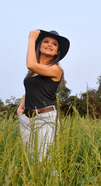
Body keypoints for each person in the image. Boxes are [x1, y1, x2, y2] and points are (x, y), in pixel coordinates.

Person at [17, 29, 70, 162]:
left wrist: (31, 38)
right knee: (30, 161)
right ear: (39, 46)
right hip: (27, 118)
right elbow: (30, 89)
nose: (49, 45)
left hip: (45, 119)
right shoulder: (33, 73)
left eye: (54, 44)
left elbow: (30, 64)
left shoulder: (56, 69)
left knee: (44, 162)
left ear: (57, 52)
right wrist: (20, 108)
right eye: (45, 41)